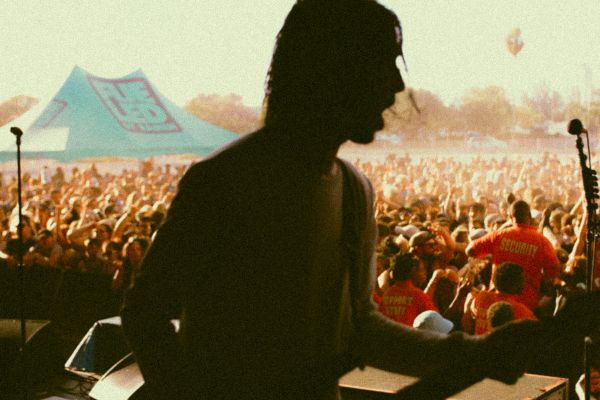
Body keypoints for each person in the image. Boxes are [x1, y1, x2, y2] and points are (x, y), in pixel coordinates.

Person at [120, 1, 591, 399]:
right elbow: (146, 312)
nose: (393, 86)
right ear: (333, 68)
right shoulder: (224, 181)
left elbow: (360, 329)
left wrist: (473, 354)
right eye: (380, 64)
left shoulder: (354, 193)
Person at [466, 199, 560, 310]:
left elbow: (470, 250)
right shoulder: (542, 241)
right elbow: (554, 271)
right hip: (528, 304)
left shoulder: (498, 236)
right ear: (529, 216)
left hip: (498, 302)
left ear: (510, 218)